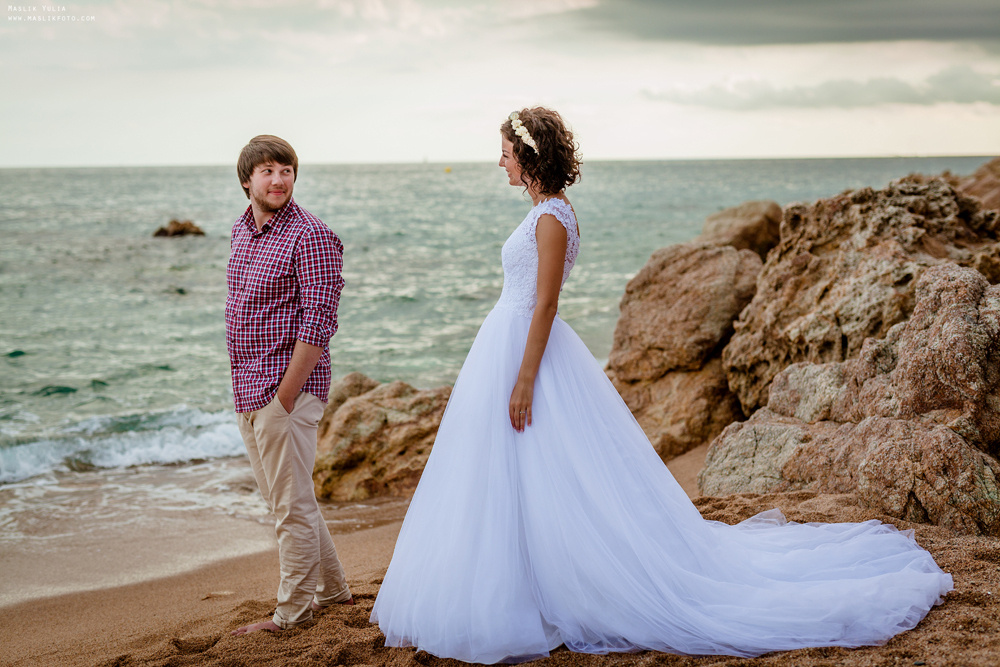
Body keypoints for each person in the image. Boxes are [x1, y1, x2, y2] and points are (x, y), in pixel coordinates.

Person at [369, 108, 954, 663]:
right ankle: (527, 578)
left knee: (537, 467)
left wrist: (524, 381)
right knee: (521, 473)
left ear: (528, 155)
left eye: (504, 153)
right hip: (509, 344)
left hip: (527, 351)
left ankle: (543, 587)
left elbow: (545, 303)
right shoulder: (547, 211)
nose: (499, 163)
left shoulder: (551, 218)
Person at [226, 135, 353, 635]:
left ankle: (293, 615)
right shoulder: (241, 231)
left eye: (286, 171)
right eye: (268, 172)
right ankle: (336, 591)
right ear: (247, 181)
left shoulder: (312, 236)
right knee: (292, 500)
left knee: (290, 507)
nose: (279, 180)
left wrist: (285, 395)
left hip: (287, 391)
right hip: (247, 386)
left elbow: (319, 321)